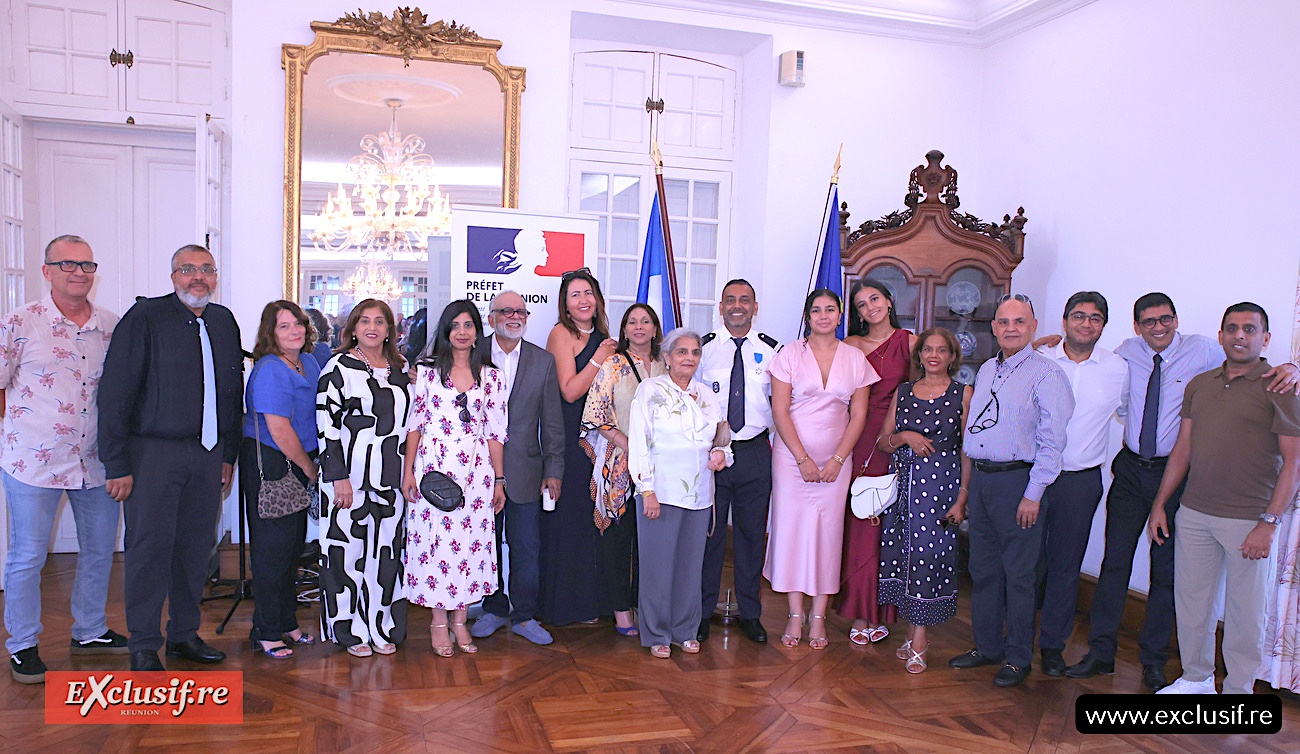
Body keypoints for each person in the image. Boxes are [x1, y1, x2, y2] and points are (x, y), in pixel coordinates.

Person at [1066, 292, 1299, 691]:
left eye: (1165, 319)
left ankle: (1155, 662)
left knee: (1168, 574)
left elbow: (1253, 365)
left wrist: (1292, 365)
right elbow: (1083, 353)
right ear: (1137, 326)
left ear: (1176, 320)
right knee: (1114, 563)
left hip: (1176, 477)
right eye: (1149, 321)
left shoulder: (1206, 351)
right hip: (1131, 470)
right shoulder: (1127, 353)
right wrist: (1043, 343)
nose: (1158, 327)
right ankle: (1100, 653)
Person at [98, 244, 243, 671]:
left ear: (215, 277)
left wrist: (228, 454)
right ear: (173, 275)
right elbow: (115, 392)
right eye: (188, 270)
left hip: (208, 455)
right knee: (149, 549)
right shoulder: (144, 318)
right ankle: (144, 642)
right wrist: (117, 463)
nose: (198, 277)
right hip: (152, 455)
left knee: (195, 549)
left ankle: (183, 635)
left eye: (206, 270)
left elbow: (230, 392)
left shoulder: (222, 321)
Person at [1148, 303, 1300, 695]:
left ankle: (1239, 691)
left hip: (1249, 520)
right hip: (1195, 512)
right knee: (1192, 604)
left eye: (1249, 329)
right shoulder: (1200, 384)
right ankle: (1195, 678)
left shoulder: (1279, 386)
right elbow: (1183, 448)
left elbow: (1294, 462)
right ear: (1220, 335)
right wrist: (1161, 503)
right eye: (1231, 328)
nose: (1239, 335)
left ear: (1265, 338)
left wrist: (1269, 524)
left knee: (1245, 613)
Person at [1, 235, 124, 684]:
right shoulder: (20, 322)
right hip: (32, 463)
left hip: (95, 462)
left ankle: (89, 630)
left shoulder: (111, 325)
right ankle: (23, 645)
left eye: (87, 264)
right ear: (47, 270)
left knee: (98, 552)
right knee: (27, 556)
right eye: (68, 264)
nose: (79, 272)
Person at [948, 294, 1072, 688]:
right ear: (994, 326)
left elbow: (1053, 441)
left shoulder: (1046, 375)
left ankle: (1018, 657)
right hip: (983, 480)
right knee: (982, 569)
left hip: (1019, 483)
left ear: (1033, 325)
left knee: (1019, 575)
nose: (1011, 328)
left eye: (1019, 321)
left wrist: (1033, 493)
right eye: (1003, 321)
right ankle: (987, 646)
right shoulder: (986, 369)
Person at [765, 289, 876, 650]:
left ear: (841, 315)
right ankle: (796, 615)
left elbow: (859, 414)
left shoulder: (855, 357)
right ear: (807, 316)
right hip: (792, 458)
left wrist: (839, 460)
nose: (823, 316)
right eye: (816, 310)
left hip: (836, 461)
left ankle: (818, 617)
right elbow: (780, 411)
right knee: (794, 533)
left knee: (828, 535)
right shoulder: (788, 355)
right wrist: (802, 459)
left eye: (830, 309)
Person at [402, 300, 508, 657]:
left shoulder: (492, 376)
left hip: (476, 476)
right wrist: (408, 473)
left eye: (469, 325)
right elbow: (415, 425)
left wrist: (499, 480)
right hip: (433, 471)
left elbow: (496, 433)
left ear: (478, 331)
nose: (462, 332)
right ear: (446, 331)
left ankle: (460, 620)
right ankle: (437, 622)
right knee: (437, 547)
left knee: (467, 548)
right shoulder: (428, 372)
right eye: (455, 325)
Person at [1031, 292, 1126, 677]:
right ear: (1065, 320)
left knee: (1066, 567)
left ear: (1104, 325)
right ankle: (1014, 643)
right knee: (1025, 564)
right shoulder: (1038, 359)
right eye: (1079, 316)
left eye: (1095, 318)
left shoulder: (1120, 368)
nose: (1086, 324)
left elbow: (1130, 413)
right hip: (1033, 477)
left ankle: (1052, 646)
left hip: (1081, 481)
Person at [628, 328, 731, 658]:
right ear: (668, 357)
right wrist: (646, 490)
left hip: (700, 496)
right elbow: (639, 444)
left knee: (690, 567)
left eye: (695, 352)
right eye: (682, 352)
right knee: (658, 567)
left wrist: (721, 456)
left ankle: (685, 629)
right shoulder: (649, 390)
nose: (689, 358)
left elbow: (723, 440)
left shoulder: (707, 395)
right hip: (660, 492)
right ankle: (657, 632)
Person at [317, 299, 411, 658]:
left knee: (386, 556)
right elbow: (327, 427)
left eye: (380, 321)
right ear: (353, 328)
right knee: (348, 555)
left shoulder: (402, 368)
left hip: (391, 479)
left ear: (390, 329)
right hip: (349, 480)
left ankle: (381, 626)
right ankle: (350, 631)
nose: (372, 327)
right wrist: (338, 477)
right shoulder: (337, 368)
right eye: (365, 321)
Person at [471, 291, 565, 646]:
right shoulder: (472, 352)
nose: (514, 317)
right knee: (487, 544)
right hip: (478, 471)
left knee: (527, 545)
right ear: (491, 317)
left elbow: (552, 422)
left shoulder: (542, 361)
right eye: (506, 311)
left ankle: (524, 615)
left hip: (527, 470)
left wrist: (553, 469)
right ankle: (494, 608)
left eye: (520, 311)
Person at [875, 328, 971, 673]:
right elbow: (884, 441)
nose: (933, 355)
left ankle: (920, 639)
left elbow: (967, 452)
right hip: (903, 491)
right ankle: (912, 631)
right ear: (919, 355)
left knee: (929, 557)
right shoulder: (903, 392)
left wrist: (962, 498)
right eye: (928, 349)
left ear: (951, 356)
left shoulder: (963, 394)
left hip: (942, 489)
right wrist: (905, 435)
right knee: (904, 557)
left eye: (941, 350)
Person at [698, 279, 780, 644]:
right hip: (712, 453)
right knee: (710, 535)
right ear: (721, 306)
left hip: (754, 452)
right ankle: (700, 613)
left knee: (750, 537)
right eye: (730, 300)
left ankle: (751, 613)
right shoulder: (703, 350)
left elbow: (781, 406)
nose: (737, 306)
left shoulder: (773, 351)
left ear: (755, 306)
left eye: (744, 300)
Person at [836, 279, 917, 645]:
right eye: (861, 304)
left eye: (875, 299)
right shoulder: (850, 345)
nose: (869, 307)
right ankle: (859, 610)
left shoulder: (910, 342)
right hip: (858, 435)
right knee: (861, 520)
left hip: (894, 438)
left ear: (888, 301)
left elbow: (922, 391)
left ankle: (885, 610)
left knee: (890, 525)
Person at [240, 301, 321, 659]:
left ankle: (286, 621)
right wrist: (309, 467)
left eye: (298, 324)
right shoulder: (271, 369)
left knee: (292, 548)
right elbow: (279, 428)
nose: (294, 331)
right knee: (272, 552)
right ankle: (266, 630)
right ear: (271, 333)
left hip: (300, 460)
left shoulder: (309, 361)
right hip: (274, 463)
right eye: (285, 326)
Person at [582, 303, 667, 638]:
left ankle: (645, 605)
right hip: (620, 464)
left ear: (656, 328)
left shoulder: (667, 363)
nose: (639, 327)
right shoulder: (614, 364)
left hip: (661, 467)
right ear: (624, 329)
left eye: (646, 321)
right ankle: (620, 610)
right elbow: (595, 411)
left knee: (651, 542)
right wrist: (628, 443)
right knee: (619, 541)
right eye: (632, 322)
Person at [541, 268, 617, 625]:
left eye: (588, 293)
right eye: (575, 295)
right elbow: (569, 390)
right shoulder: (562, 334)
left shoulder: (604, 336)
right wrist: (600, 357)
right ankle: (564, 606)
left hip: (604, 438)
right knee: (570, 520)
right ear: (566, 305)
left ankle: (596, 604)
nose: (583, 300)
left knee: (596, 520)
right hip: (571, 438)